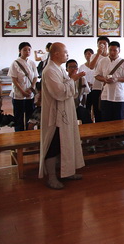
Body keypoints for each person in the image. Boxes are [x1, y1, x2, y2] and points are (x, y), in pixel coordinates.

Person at [38, 42, 85, 189]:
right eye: (65, 52)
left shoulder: (58, 68)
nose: (67, 55)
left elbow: (67, 86)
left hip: (66, 112)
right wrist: (73, 79)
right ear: (56, 54)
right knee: (54, 145)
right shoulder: (50, 70)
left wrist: (71, 78)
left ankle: (68, 171)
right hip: (56, 115)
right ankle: (52, 177)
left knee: (67, 142)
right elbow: (59, 92)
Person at [94, 41, 124, 121]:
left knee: (118, 121)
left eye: (115, 50)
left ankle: (119, 134)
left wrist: (117, 79)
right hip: (105, 95)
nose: (112, 52)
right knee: (105, 120)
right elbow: (96, 75)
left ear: (119, 51)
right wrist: (104, 79)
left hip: (118, 96)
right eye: (110, 50)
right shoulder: (103, 61)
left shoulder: (123, 62)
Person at [9, 42, 38, 131]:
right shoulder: (15, 63)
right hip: (18, 94)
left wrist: (31, 88)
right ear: (19, 51)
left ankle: (29, 134)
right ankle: (19, 134)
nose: (27, 52)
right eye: (24, 50)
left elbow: (35, 77)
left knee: (30, 116)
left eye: (29, 50)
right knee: (18, 116)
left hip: (30, 94)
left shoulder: (32, 63)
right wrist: (22, 91)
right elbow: (14, 79)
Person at [88, 36, 110, 122]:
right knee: (97, 110)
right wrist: (98, 54)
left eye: (104, 44)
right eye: (100, 44)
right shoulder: (94, 55)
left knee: (107, 110)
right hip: (97, 86)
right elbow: (91, 66)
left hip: (108, 86)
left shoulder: (111, 56)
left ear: (108, 45)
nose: (102, 45)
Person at [66, 59, 91, 125]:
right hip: (66, 106)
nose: (73, 69)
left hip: (78, 105)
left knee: (84, 114)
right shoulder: (64, 80)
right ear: (66, 69)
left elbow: (86, 92)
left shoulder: (82, 79)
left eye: (75, 67)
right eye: (71, 67)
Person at [79, 48, 95, 122]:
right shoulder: (82, 67)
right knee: (87, 106)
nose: (88, 55)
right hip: (85, 89)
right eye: (86, 54)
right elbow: (79, 77)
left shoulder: (96, 65)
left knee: (95, 107)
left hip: (95, 88)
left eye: (90, 54)